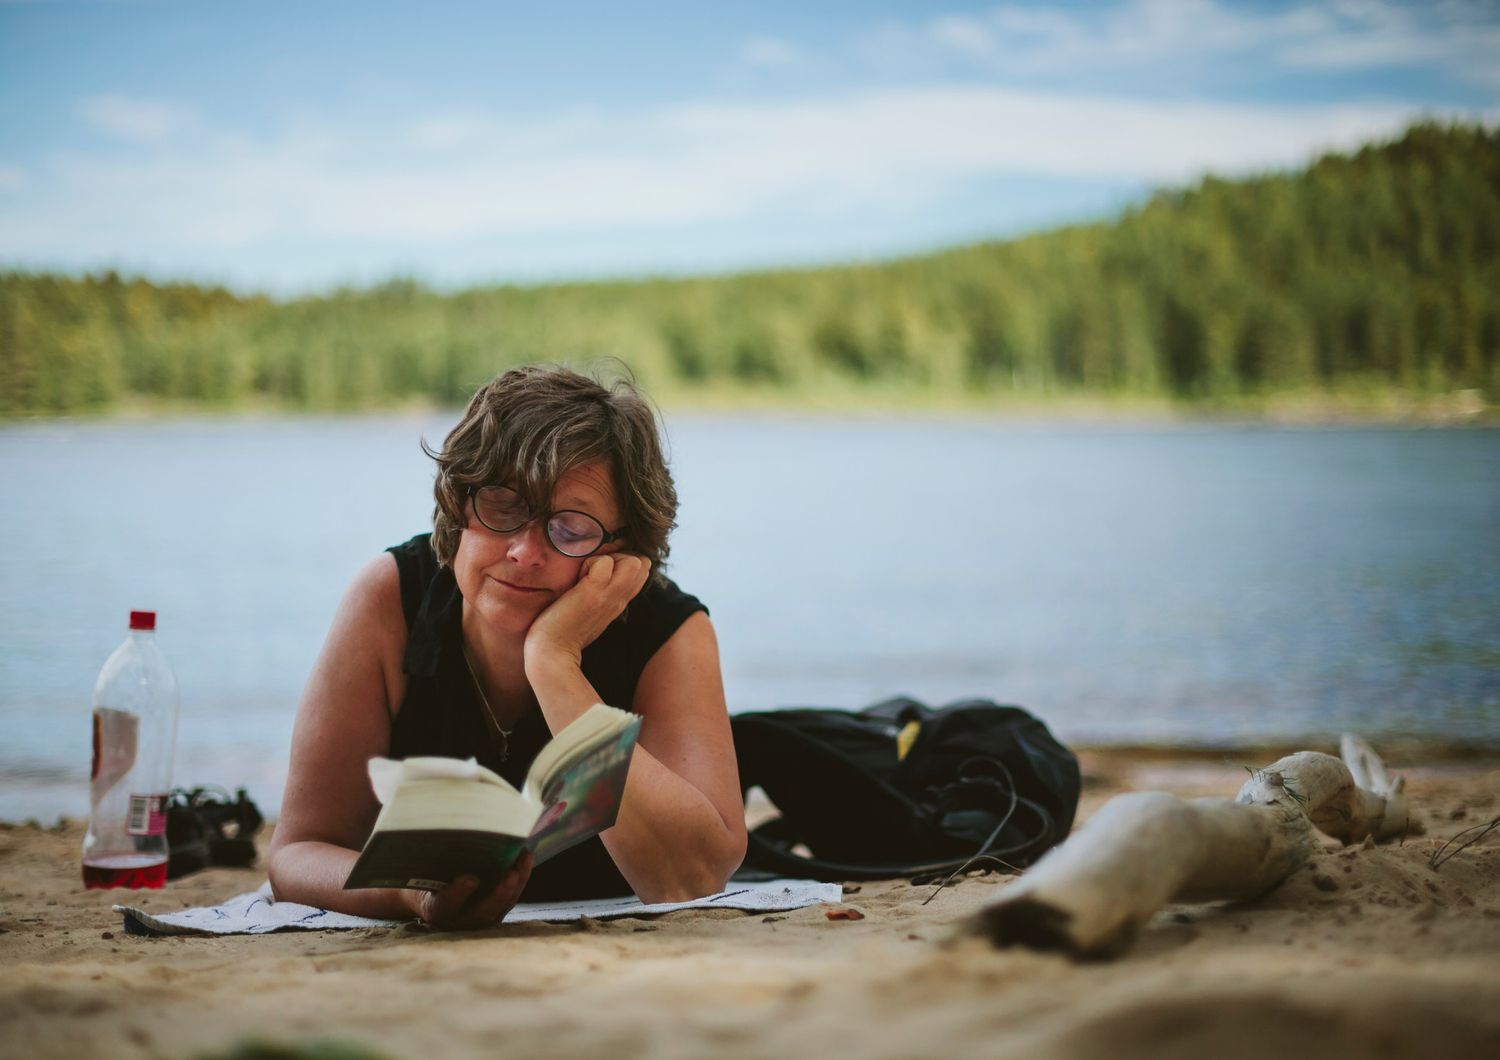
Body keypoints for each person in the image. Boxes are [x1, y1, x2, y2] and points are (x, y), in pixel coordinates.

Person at [268, 365, 747, 929]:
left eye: (569, 529)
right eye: (501, 504)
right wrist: (411, 898)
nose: (523, 551)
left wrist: (554, 663)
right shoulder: (391, 596)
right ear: (458, 502)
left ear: (624, 553)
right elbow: (297, 853)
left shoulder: (670, 630)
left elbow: (691, 879)